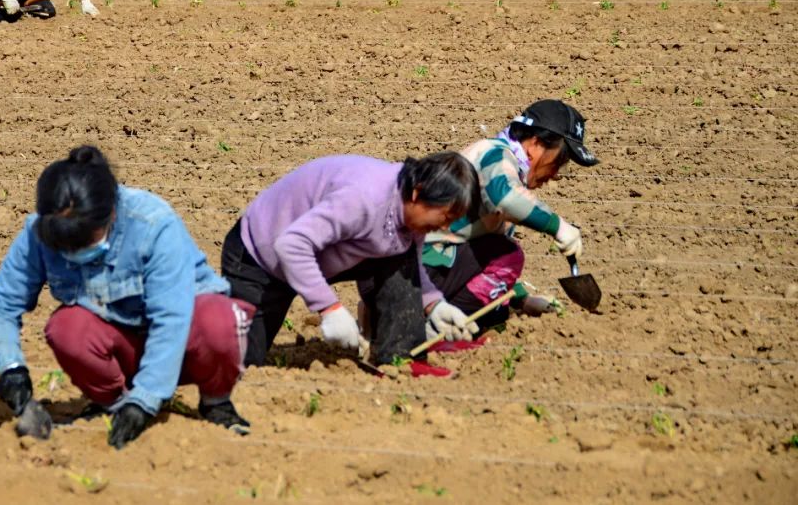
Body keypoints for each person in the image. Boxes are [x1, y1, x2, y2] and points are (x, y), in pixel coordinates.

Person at [0, 146, 254, 449]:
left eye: (83, 241)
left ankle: (216, 402)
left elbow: (171, 320)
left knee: (218, 320)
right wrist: (11, 368)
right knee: (67, 329)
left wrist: (145, 400)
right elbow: (1, 305)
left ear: (110, 214)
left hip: (184, 344)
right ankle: (112, 403)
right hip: (121, 344)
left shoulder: (153, 224)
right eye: (64, 245)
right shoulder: (39, 233)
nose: (73, 251)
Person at [221, 152, 479, 367]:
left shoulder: (410, 219)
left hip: (318, 255)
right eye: (445, 216)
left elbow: (410, 266)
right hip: (259, 258)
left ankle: (401, 359)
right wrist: (329, 308)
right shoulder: (364, 199)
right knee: (238, 363)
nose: (446, 227)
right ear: (417, 193)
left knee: (400, 256)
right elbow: (291, 245)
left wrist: (435, 305)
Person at [421, 99, 600, 340]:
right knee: (509, 255)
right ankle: (435, 332)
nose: (556, 174)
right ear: (535, 144)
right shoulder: (495, 155)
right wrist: (557, 226)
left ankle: (465, 325)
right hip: (416, 269)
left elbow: (485, 260)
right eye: (559, 161)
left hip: (423, 267)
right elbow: (505, 197)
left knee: (502, 253)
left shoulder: (504, 165)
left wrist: (522, 299)